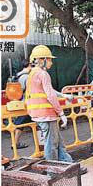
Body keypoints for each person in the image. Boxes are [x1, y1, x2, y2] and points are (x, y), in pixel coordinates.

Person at [25, 45, 86, 174]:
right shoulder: (43, 74)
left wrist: (64, 95)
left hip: (38, 114)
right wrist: (62, 113)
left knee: (58, 142)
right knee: (51, 144)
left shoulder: (32, 74)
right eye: (49, 59)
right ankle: (52, 173)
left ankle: (68, 165)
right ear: (41, 60)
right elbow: (50, 95)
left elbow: (48, 90)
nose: (51, 62)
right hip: (46, 114)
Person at [13, 59, 32, 149]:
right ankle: (14, 143)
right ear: (28, 66)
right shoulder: (26, 77)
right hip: (26, 103)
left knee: (21, 123)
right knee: (20, 124)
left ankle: (15, 143)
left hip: (21, 102)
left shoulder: (19, 76)